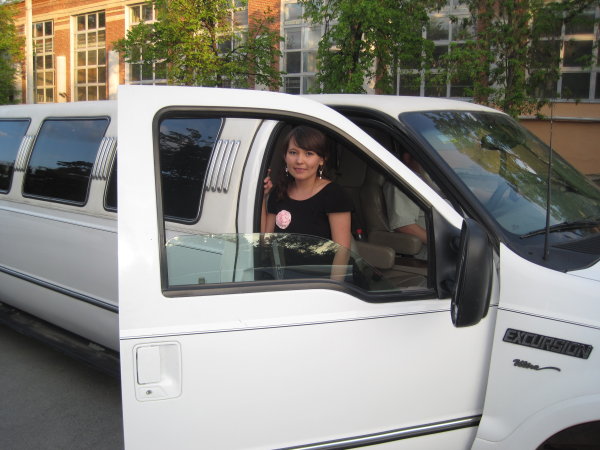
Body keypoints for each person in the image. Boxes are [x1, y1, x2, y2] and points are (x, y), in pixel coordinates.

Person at [261, 126, 353, 279]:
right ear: (285, 156)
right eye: (293, 152)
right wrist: (263, 197)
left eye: (309, 153)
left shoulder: (334, 194)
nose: (299, 160)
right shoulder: (279, 192)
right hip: (288, 279)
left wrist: (332, 288)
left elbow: (342, 253)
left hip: (325, 282)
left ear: (322, 159)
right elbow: (265, 241)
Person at [383, 152, 428, 260]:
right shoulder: (403, 184)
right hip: (431, 255)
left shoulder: (428, 182)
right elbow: (405, 226)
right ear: (407, 157)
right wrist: (444, 243)